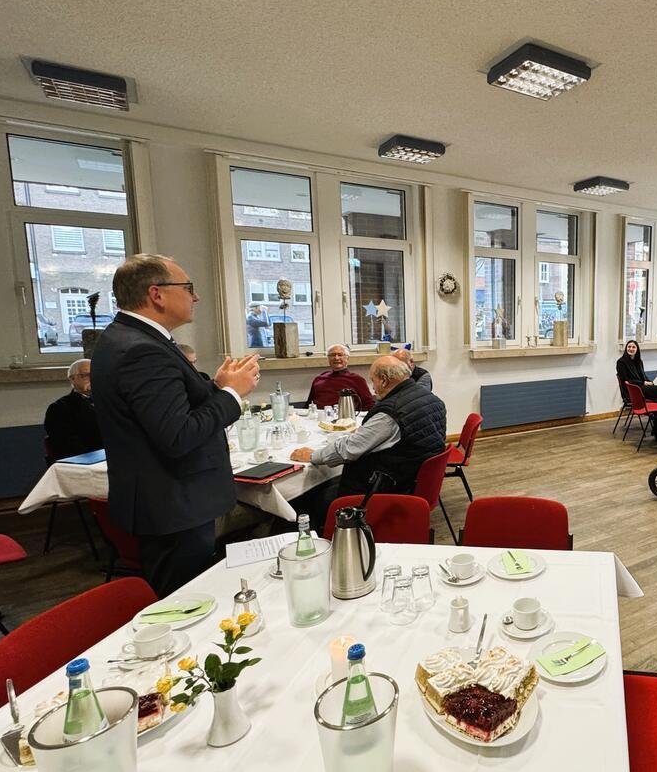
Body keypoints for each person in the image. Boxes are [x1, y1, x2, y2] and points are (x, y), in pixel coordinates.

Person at [91, 253, 260, 596]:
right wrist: (232, 395)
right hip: (172, 502)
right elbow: (178, 435)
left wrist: (215, 388)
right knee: (183, 602)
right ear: (157, 294)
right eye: (188, 287)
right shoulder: (141, 351)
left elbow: (167, 407)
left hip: (168, 499)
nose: (195, 296)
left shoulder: (129, 338)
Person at [290, 355, 447, 505]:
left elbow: (349, 449)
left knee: (310, 497)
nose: (373, 388)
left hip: (386, 487)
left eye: (373, 381)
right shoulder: (432, 399)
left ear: (384, 381)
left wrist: (313, 455)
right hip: (415, 481)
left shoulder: (391, 413)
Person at [43, 358, 102, 460]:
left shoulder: (110, 401)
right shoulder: (59, 408)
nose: (92, 378)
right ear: (72, 379)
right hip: (86, 460)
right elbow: (66, 445)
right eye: (86, 375)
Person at [616, 340, 657, 441]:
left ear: (637, 349)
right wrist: (643, 383)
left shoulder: (639, 361)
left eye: (633, 347)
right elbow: (626, 380)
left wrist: (649, 382)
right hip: (632, 391)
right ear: (626, 348)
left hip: (641, 387)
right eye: (629, 347)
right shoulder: (621, 362)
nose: (631, 349)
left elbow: (643, 376)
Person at [307, 344, 375, 411]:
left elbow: (369, 404)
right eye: (332, 355)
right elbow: (308, 404)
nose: (336, 358)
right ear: (328, 359)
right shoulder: (319, 379)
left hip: (344, 416)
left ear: (347, 359)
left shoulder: (357, 379)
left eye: (340, 355)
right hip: (317, 416)